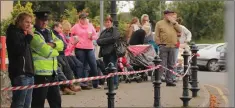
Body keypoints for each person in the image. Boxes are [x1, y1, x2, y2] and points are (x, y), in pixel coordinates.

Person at [30, 11, 63, 108]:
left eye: (46, 20)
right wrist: (56, 50)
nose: (44, 23)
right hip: (41, 74)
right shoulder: (33, 33)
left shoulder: (49, 32)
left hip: (53, 73)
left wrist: (53, 45)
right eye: (42, 20)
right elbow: (46, 51)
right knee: (38, 102)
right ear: (36, 20)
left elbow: (62, 44)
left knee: (56, 101)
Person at [6, 12, 34, 108]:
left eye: (30, 23)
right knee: (19, 104)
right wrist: (29, 37)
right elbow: (18, 50)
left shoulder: (22, 34)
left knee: (27, 104)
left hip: (29, 73)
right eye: (27, 22)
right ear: (19, 21)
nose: (29, 25)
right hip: (20, 74)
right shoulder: (13, 33)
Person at [71, 13, 102, 89]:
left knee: (93, 64)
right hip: (79, 48)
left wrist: (92, 37)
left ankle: (95, 83)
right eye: (82, 19)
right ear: (79, 19)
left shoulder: (90, 25)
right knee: (81, 65)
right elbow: (71, 35)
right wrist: (75, 40)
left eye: (84, 18)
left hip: (89, 48)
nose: (83, 20)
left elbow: (96, 36)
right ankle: (82, 83)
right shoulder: (76, 26)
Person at [52, 22, 81, 94]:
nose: (61, 29)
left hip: (63, 54)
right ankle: (66, 87)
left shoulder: (59, 35)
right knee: (62, 69)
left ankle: (70, 85)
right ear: (55, 27)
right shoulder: (54, 35)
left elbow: (64, 46)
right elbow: (64, 46)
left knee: (68, 69)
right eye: (60, 27)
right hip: (58, 55)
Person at [155, 10, 182, 86]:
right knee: (162, 64)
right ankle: (158, 80)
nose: (171, 16)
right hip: (164, 46)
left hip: (173, 46)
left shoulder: (174, 23)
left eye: (172, 14)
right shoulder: (159, 23)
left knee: (172, 64)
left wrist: (174, 22)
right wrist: (159, 44)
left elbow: (180, 30)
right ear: (165, 15)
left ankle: (169, 80)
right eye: (169, 15)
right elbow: (156, 35)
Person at [97, 16, 120, 90]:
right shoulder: (103, 31)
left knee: (113, 68)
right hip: (104, 53)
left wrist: (103, 41)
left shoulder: (114, 30)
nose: (107, 24)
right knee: (107, 69)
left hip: (112, 52)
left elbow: (114, 38)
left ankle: (115, 83)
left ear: (111, 22)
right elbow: (98, 41)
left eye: (108, 22)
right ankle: (109, 84)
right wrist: (106, 41)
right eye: (106, 22)